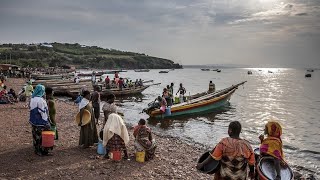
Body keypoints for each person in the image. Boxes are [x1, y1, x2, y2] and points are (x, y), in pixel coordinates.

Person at [29, 84, 53, 156]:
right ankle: (44, 151)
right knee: (44, 136)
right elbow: (43, 112)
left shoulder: (32, 98)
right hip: (41, 122)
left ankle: (37, 150)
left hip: (33, 121)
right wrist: (47, 121)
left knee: (36, 136)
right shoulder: (41, 100)